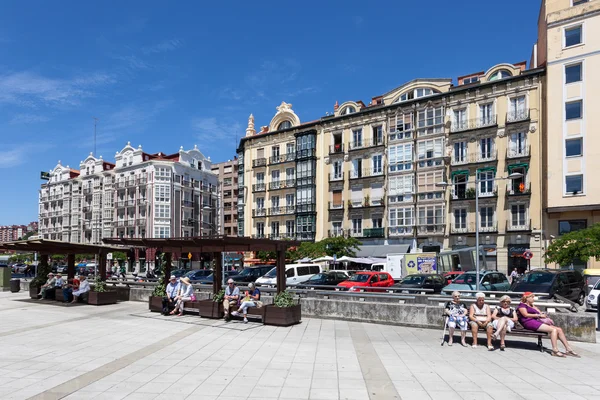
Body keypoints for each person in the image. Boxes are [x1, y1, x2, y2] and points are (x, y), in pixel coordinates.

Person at [517, 292, 580, 357]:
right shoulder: (522, 305)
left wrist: (542, 314)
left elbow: (540, 312)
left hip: (535, 321)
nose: (533, 299)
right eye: (532, 297)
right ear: (527, 298)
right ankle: (555, 350)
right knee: (553, 330)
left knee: (559, 329)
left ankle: (568, 349)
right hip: (528, 322)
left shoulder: (532, 305)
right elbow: (525, 315)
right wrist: (538, 315)